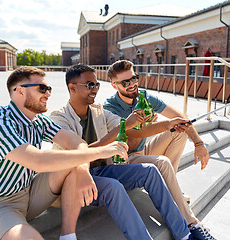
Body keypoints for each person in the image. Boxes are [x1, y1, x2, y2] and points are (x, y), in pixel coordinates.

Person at [50, 64, 215, 240]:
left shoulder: (100, 111)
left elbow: (132, 131)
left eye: (97, 85)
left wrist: (167, 125)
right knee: (114, 186)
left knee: (151, 171)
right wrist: (123, 127)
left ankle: (184, 235)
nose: (95, 90)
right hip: (76, 177)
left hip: (104, 169)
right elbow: (77, 155)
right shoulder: (59, 118)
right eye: (90, 85)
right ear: (72, 87)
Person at [0, 66, 129, 240]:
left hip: (28, 193)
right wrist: (100, 152)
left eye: (48, 89)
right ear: (20, 91)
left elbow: (77, 142)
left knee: (72, 162)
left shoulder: (39, 120)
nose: (48, 94)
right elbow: (38, 160)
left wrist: (82, 169)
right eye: (42, 89)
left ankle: (68, 236)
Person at [103, 60, 215, 239]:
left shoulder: (144, 97)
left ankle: (169, 188)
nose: (132, 84)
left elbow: (179, 117)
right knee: (162, 160)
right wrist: (159, 124)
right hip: (124, 159)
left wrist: (199, 144)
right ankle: (192, 224)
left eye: (134, 78)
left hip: (142, 152)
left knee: (179, 132)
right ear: (114, 85)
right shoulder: (110, 107)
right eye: (125, 82)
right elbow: (134, 135)